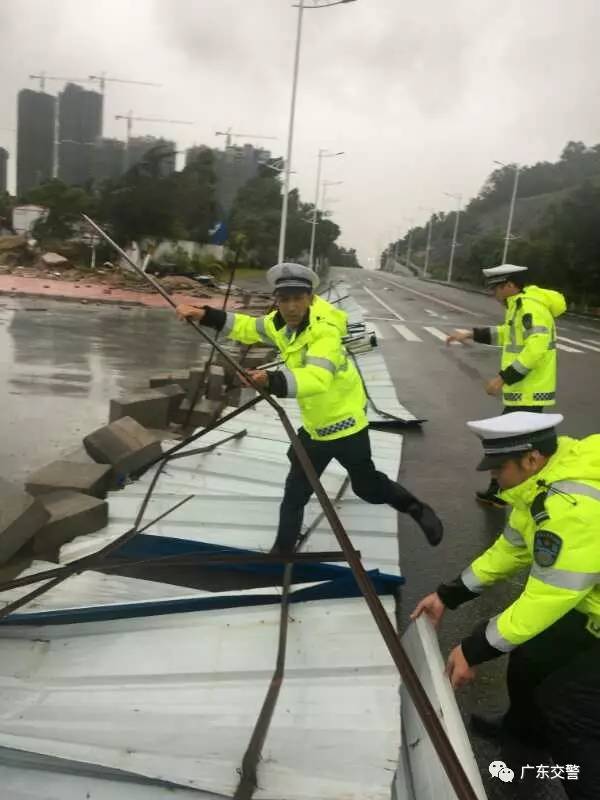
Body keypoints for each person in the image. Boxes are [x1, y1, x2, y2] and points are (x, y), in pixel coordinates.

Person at [176, 262, 443, 552]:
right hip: (315, 429)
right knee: (295, 493)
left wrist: (270, 380)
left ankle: (415, 507)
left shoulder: (325, 332)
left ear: (311, 299)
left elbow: (317, 377)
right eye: (284, 299)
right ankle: (282, 553)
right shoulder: (279, 324)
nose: (291, 307)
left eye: (298, 299)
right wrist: (204, 314)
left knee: (367, 488)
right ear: (277, 300)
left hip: (347, 427)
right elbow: (247, 327)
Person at [412, 412, 600, 800]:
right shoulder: (540, 485)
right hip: (588, 605)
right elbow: (511, 549)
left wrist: (474, 649)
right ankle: (524, 737)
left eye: (499, 468)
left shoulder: (570, 507)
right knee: (529, 658)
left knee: (570, 711)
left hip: (585, 606)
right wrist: (448, 594)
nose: (494, 477)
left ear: (531, 458)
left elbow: (548, 598)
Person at [446, 264, 566, 506]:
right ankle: (503, 491)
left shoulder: (530, 307)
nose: (494, 294)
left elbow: (535, 349)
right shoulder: (519, 306)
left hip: (530, 390)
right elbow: (506, 334)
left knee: (508, 445)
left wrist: (502, 378)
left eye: (496, 289)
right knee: (513, 445)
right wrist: (471, 334)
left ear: (510, 285)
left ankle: (506, 492)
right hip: (524, 390)